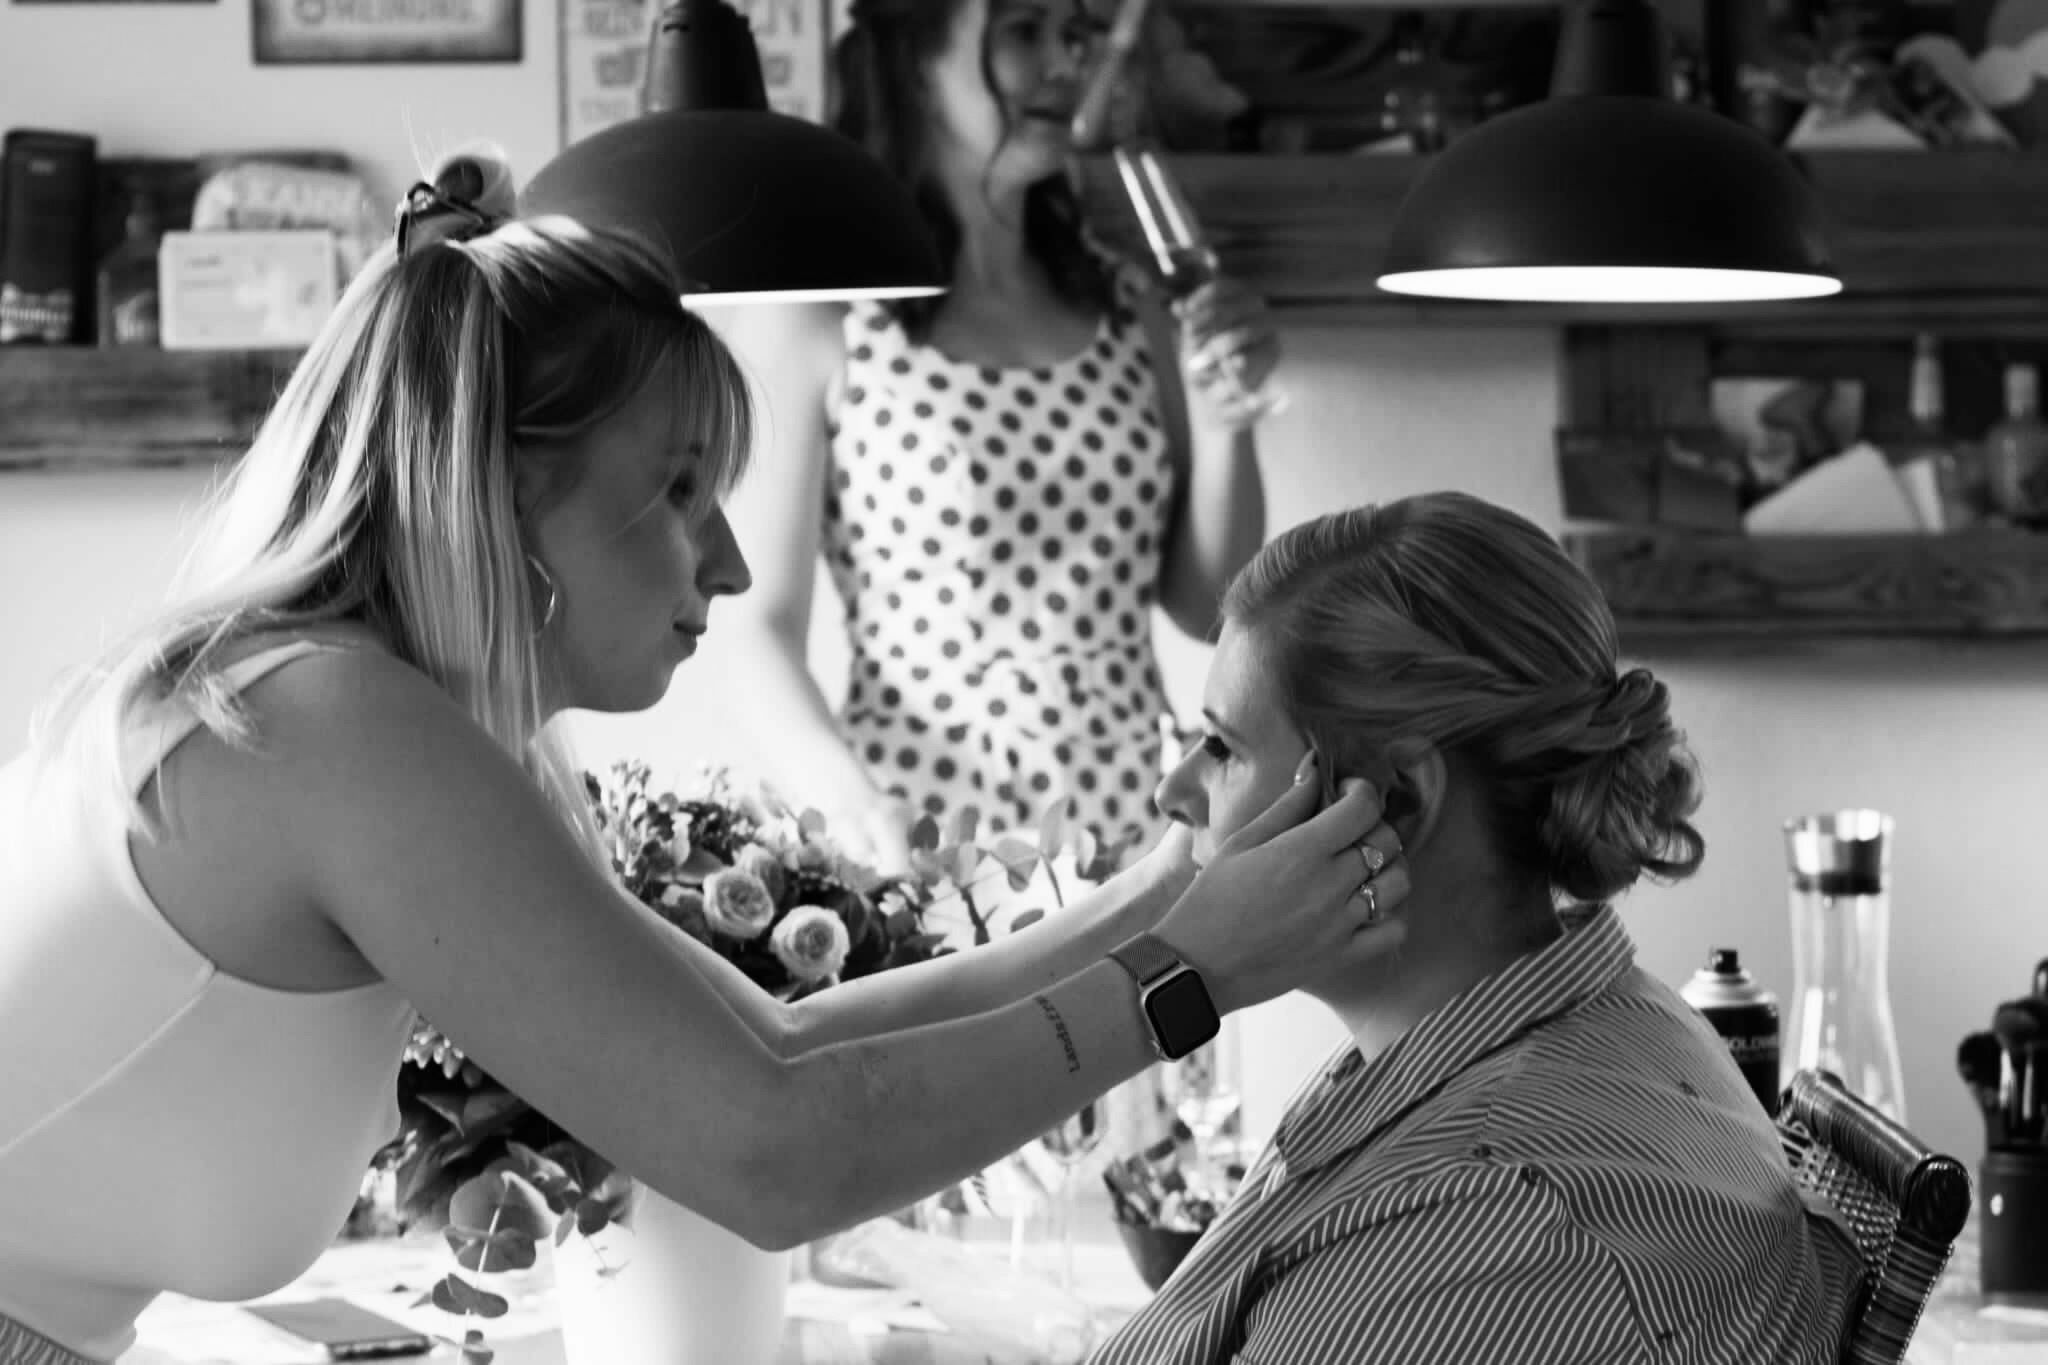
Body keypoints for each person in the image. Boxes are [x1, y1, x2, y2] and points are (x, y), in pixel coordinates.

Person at [0, 152, 1410, 1365]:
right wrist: (1193, 977)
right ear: (502, 495)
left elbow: (781, 1043)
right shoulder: (336, 725)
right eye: (678, 491)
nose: (728, 563)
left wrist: (1171, 890)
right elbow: (777, 1151)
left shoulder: (354, 708)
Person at [1088, 493, 1865, 1365]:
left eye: (1222, 748)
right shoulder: (1583, 1034)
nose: (1171, 792)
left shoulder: (1484, 1215)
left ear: (1396, 802)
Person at [703, 0, 1281, 874]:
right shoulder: (821, 312)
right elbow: (755, 627)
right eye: (1021, 31)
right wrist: (859, 812)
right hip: (925, 842)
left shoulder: (1127, 304)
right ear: (914, 55)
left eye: (1073, 34)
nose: (1065, 63)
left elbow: (1208, 608)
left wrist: (1223, 421)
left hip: (1139, 833)